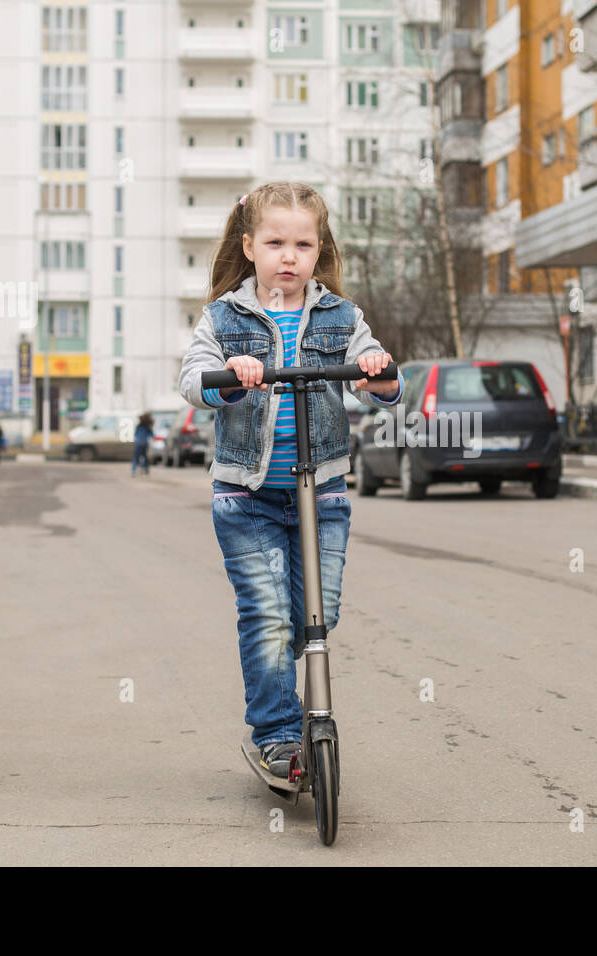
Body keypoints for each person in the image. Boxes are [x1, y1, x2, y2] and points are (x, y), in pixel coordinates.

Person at [178, 182, 404, 780]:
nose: (289, 256)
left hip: (320, 494)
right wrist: (230, 374)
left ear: (318, 249)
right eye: (275, 242)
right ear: (250, 245)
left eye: (303, 244)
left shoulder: (340, 315)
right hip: (245, 499)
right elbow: (193, 380)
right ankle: (278, 733)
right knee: (270, 615)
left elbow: (377, 377)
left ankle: (281, 689)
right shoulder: (224, 317)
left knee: (317, 614)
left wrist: (379, 376)